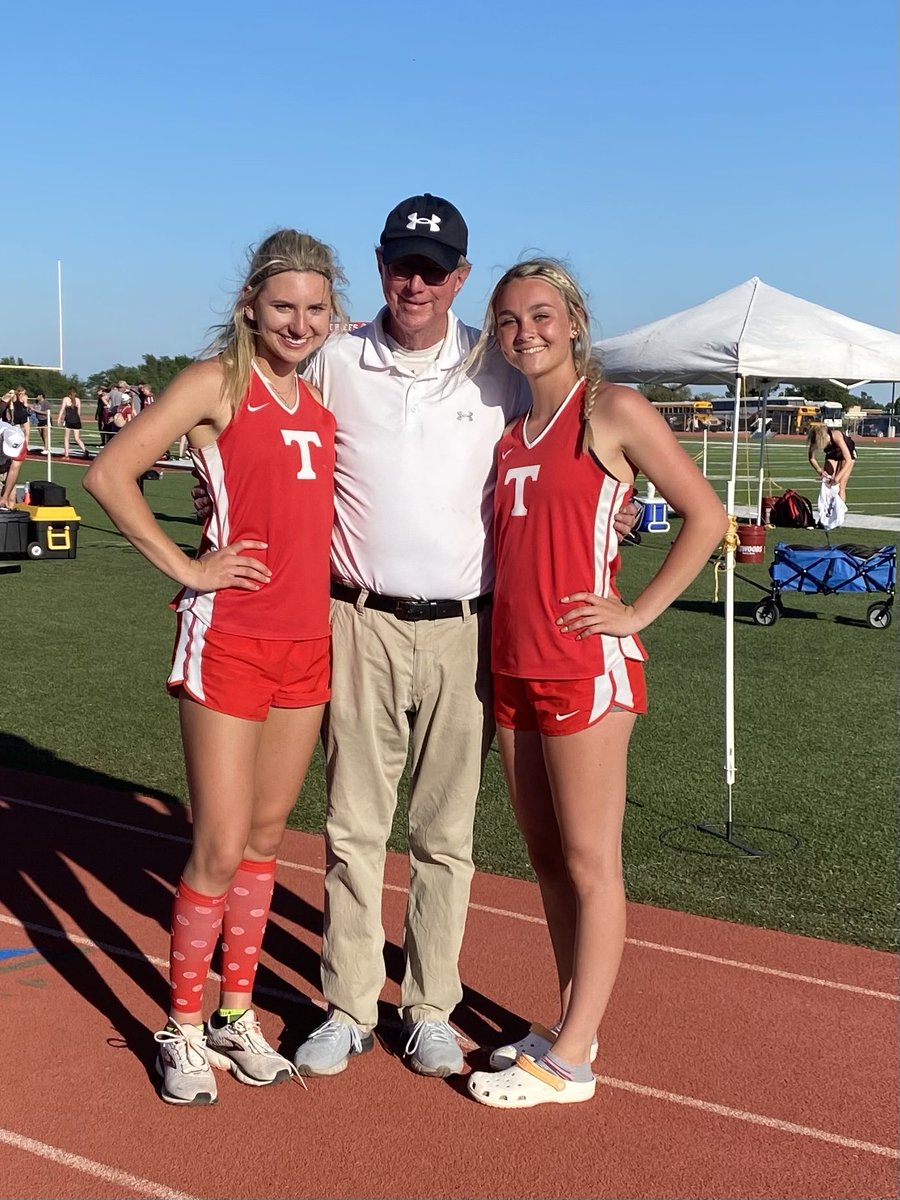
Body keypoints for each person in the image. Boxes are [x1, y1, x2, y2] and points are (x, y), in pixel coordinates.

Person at [280, 195, 637, 1080]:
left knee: (445, 834)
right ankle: (348, 1006)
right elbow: (278, 438)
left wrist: (617, 514)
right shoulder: (335, 359)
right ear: (380, 265)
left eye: (435, 271)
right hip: (358, 616)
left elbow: (569, 458)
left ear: (460, 278)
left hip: (467, 629)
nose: (417, 284)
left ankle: (429, 1006)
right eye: (403, 265)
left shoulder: (497, 365)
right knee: (354, 825)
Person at [84, 228, 347, 1106]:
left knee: (267, 841)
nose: (299, 322)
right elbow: (111, 474)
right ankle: (183, 1027)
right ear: (250, 306)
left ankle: (238, 1015)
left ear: (332, 314)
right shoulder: (215, 384)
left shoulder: (319, 398)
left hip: (306, 643)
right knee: (220, 843)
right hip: (230, 635)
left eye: (315, 308)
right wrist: (190, 567)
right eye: (283, 306)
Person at [461, 259, 727, 1110]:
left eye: (541, 315)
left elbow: (707, 515)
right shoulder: (511, 433)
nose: (525, 332)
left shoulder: (612, 410)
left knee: (590, 861)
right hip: (512, 663)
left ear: (574, 320)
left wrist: (637, 611)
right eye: (508, 320)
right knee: (546, 859)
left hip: (583, 664)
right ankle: (570, 1022)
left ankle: (573, 1059)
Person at [807, 421, 856, 502]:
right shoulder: (814, 439)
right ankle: (828, 506)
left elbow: (848, 460)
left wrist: (837, 478)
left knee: (840, 484)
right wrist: (819, 471)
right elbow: (811, 458)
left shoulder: (836, 437)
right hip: (832, 454)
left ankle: (840, 508)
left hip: (848, 455)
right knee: (828, 482)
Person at [0, 421, 27, 509]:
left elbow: (14, 469)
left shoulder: (20, 442)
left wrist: (5, 496)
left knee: (10, 500)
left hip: (6, 465)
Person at [57, 388, 88, 458]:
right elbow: (79, 412)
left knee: (66, 438)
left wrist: (59, 419)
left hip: (69, 420)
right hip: (76, 420)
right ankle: (85, 450)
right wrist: (78, 420)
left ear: (69, 394)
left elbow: (62, 409)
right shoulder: (78, 400)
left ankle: (66, 455)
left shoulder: (66, 399)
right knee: (77, 438)